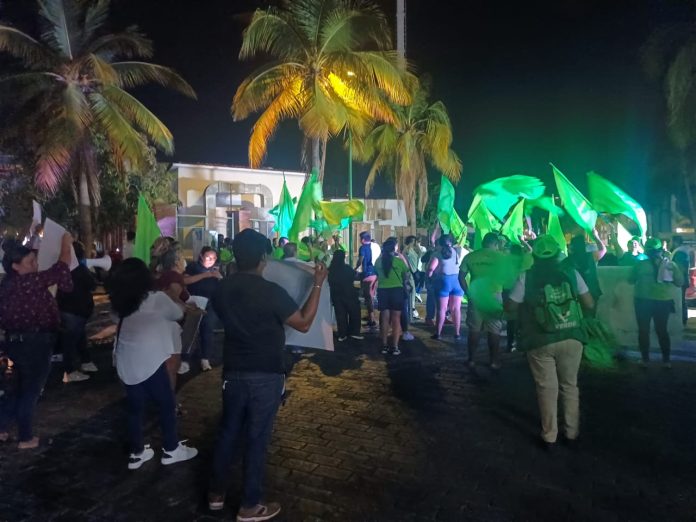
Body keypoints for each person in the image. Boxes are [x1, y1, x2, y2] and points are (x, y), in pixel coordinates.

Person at [208, 229, 327, 520]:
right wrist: (318, 285)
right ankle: (249, 505)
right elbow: (303, 323)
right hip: (266, 373)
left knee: (227, 433)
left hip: (233, 371)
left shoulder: (222, 289)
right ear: (264, 257)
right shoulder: (271, 291)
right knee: (257, 438)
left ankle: (216, 494)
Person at [505, 235, 594, 450]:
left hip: (539, 339)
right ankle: (572, 432)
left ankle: (549, 435)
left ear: (534, 255)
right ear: (558, 253)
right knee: (570, 385)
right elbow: (589, 304)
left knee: (546, 388)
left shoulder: (526, 277)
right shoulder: (572, 273)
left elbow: (510, 308)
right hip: (572, 336)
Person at [110, 258, 198, 470]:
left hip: (126, 360)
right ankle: (171, 449)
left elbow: (116, 320)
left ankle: (137, 453)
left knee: (134, 408)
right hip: (151, 360)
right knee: (166, 404)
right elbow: (178, 313)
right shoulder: (156, 298)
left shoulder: (119, 302)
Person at [0, 233, 73, 449]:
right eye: (30, 262)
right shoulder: (29, 282)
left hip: (14, 341)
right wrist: (66, 244)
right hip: (36, 343)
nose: (36, 264)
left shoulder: (6, 286)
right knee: (31, 391)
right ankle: (25, 437)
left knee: (17, 389)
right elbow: (61, 268)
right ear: (16, 266)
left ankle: (2, 427)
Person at [632, 237, 684, 367]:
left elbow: (630, 279)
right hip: (662, 301)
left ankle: (645, 360)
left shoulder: (640, 264)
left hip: (643, 301)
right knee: (662, 330)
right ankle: (666, 360)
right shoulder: (670, 265)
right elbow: (680, 282)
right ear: (661, 250)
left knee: (643, 330)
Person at [460, 232, 504, 368]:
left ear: (483, 243)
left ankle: (471, 359)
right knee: (494, 329)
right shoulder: (501, 258)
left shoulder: (470, 256)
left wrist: (467, 292)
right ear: (495, 244)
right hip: (494, 296)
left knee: (474, 328)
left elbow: (461, 277)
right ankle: (494, 361)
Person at [57, 241, 98, 383]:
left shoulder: (61, 269)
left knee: (78, 337)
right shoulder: (80, 269)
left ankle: (86, 361)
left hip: (67, 309)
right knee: (70, 342)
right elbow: (92, 285)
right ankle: (70, 371)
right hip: (77, 310)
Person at [184, 247, 223, 371]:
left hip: (210, 304)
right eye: (208, 257)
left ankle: (205, 358)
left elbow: (224, 286)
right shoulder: (193, 267)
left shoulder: (216, 270)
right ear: (201, 256)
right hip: (194, 302)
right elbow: (185, 280)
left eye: (214, 258)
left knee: (207, 329)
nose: (211, 260)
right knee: (191, 330)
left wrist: (219, 277)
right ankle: (185, 359)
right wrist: (206, 275)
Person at [374, 239, 409, 355]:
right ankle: (394, 347)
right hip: (396, 291)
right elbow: (406, 275)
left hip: (383, 291)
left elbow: (377, 274)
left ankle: (384, 346)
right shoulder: (398, 262)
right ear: (394, 248)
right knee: (396, 319)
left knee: (384, 319)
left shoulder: (378, 262)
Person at [427, 234, 465, 341]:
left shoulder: (437, 254)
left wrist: (429, 279)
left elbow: (430, 269)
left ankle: (438, 333)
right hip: (457, 281)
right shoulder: (457, 252)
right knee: (456, 309)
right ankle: (457, 333)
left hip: (443, 281)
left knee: (441, 309)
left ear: (440, 243)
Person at [561, 229, 605, 314]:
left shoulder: (566, 262)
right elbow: (603, 250)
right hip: (592, 295)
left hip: (573, 299)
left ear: (572, 247)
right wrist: (596, 236)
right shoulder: (591, 256)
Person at [328, 250, 363, 341]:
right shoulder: (347, 268)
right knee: (354, 313)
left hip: (336, 295)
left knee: (340, 314)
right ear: (343, 258)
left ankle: (342, 334)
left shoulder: (331, 269)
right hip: (349, 293)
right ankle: (354, 332)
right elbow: (354, 277)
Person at [355, 232, 378, 329]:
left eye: (360, 238)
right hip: (375, 274)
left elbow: (360, 260)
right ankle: (371, 317)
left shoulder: (363, 248)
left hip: (366, 275)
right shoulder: (375, 247)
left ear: (363, 239)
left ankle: (372, 319)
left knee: (367, 297)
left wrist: (355, 268)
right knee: (371, 297)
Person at [671, 235, 691, 325]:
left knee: (681, 301)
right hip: (683, 280)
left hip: (680, 281)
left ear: (675, 242)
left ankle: (683, 320)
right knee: (682, 301)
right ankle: (683, 319)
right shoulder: (684, 251)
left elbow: (679, 268)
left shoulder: (679, 253)